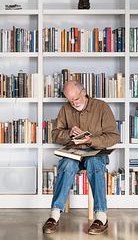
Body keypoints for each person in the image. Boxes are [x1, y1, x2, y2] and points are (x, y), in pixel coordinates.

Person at [42, 80, 120, 235]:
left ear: (83, 92)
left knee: (95, 165)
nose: (74, 103)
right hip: (74, 152)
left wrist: (91, 140)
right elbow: (54, 135)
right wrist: (68, 133)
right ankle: (54, 215)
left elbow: (113, 137)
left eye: (76, 99)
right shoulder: (65, 109)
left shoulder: (101, 107)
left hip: (96, 152)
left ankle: (101, 217)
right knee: (66, 166)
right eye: (70, 100)